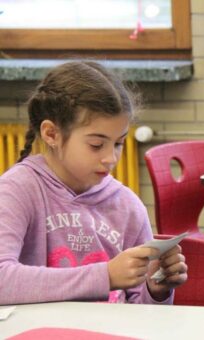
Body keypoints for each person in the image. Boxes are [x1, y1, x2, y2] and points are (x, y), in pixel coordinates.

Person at [0, 61, 187, 305]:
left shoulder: (128, 206)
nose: (111, 158)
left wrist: (156, 289)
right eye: (96, 145)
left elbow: (142, 312)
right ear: (51, 134)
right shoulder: (17, 190)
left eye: (118, 143)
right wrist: (105, 276)